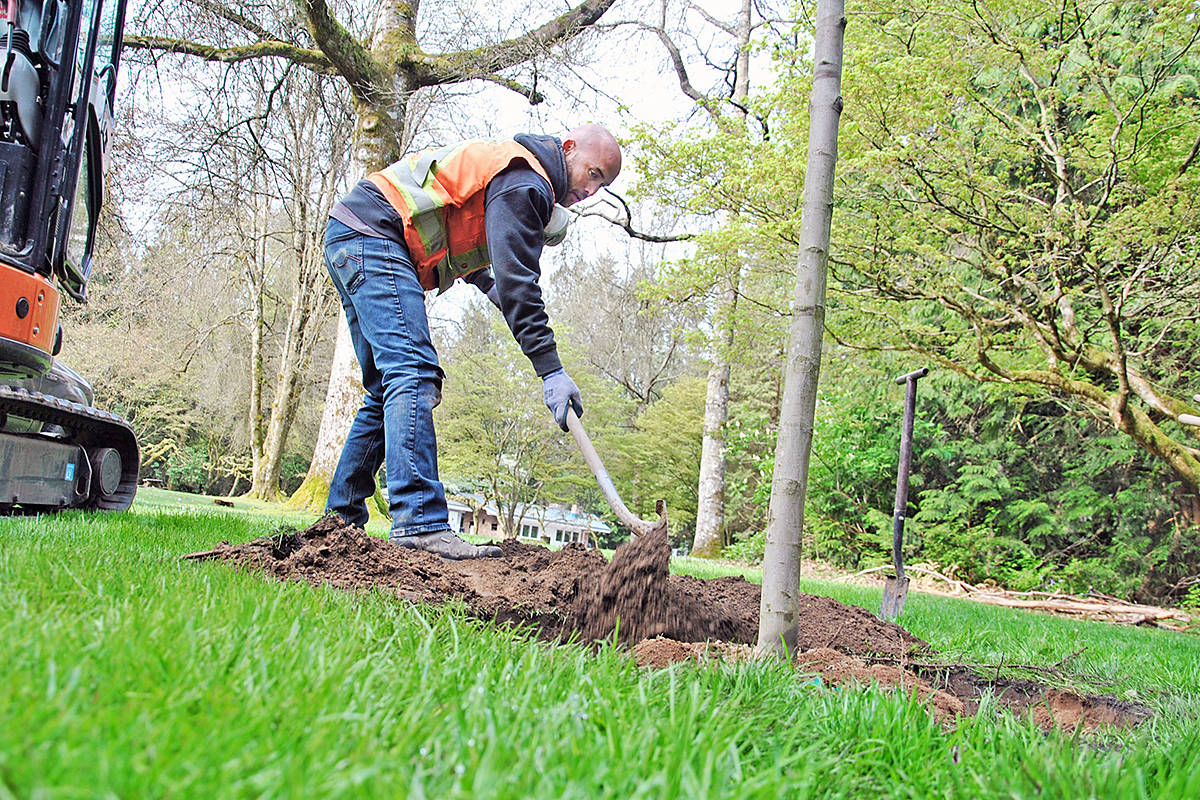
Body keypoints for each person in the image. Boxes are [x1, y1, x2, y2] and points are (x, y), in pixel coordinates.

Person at [322, 124, 622, 560]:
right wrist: (550, 370)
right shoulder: (526, 181)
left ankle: (339, 523)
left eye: (603, 185)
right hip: (375, 235)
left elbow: (478, 258)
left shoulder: (513, 173)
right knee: (414, 372)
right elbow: (521, 284)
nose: (592, 190)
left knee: (388, 387)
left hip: (351, 234)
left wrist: (501, 296)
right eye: (593, 174)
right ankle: (420, 522)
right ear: (569, 148)